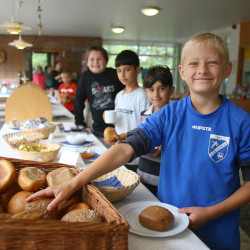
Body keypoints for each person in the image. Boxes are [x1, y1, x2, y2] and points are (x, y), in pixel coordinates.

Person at [27, 32, 250, 250]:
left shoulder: (241, 122)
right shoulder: (168, 114)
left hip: (218, 231)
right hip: (167, 223)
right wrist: (74, 182)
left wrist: (212, 213)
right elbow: (126, 149)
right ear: (182, 71)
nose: (202, 69)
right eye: (194, 63)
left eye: (212, 62)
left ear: (227, 69)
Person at [137, 65, 174, 196]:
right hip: (143, 174)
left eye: (161, 89)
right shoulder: (143, 114)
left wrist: (164, 147)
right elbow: (139, 140)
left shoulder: (176, 117)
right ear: (146, 91)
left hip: (167, 179)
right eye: (151, 89)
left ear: (171, 90)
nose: (156, 94)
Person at [74, 46, 124, 137]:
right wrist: (80, 124)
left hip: (120, 128)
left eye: (99, 59)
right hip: (98, 130)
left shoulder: (115, 74)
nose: (95, 62)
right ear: (87, 62)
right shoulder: (85, 77)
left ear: (106, 61)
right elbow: (78, 100)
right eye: (92, 59)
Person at [112, 50, 150, 136]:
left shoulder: (142, 96)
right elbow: (119, 122)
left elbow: (145, 126)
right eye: (119, 70)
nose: (122, 75)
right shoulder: (118, 96)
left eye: (127, 69)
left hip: (135, 145)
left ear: (137, 71)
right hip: (119, 144)